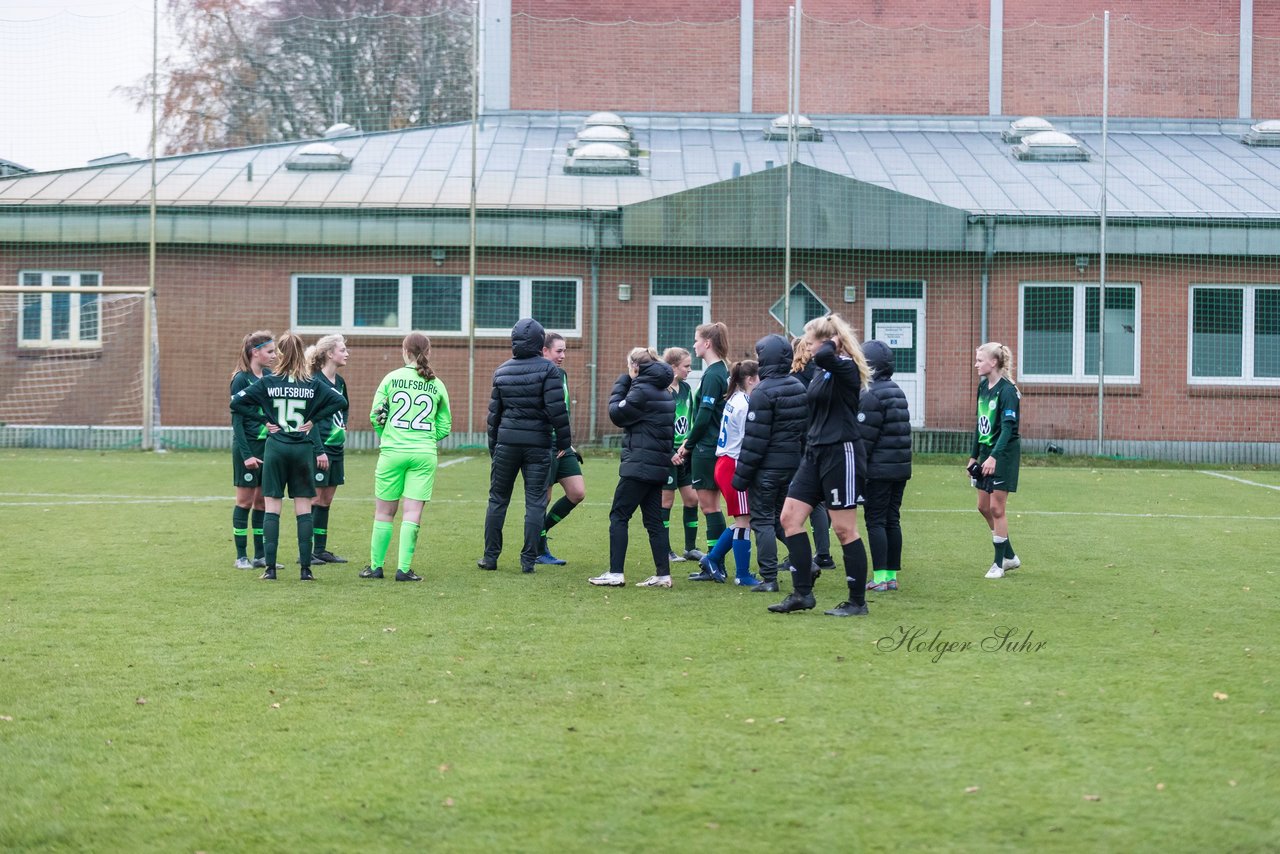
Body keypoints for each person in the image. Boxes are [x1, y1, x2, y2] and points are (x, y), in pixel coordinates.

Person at [768, 314, 872, 617]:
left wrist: (832, 340)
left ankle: (857, 602)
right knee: (789, 518)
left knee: (843, 529)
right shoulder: (821, 369)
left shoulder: (844, 366)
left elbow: (826, 353)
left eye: (809, 339)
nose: (804, 343)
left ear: (829, 341)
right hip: (814, 453)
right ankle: (802, 594)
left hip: (842, 452)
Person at [230, 331, 347, 581]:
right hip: (302, 449)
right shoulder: (312, 383)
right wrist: (313, 419)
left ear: (281, 354)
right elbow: (340, 402)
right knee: (303, 509)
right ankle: (306, 570)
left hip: (276, 448)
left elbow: (236, 404)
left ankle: (269, 569)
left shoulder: (269, 382)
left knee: (272, 507)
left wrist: (265, 419)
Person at [481, 318, 572, 574]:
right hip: (538, 445)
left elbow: (494, 416)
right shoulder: (549, 371)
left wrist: (493, 447)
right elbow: (557, 410)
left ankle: (490, 558)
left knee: (498, 500)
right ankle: (528, 560)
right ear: (539, 342)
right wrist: (565, 443)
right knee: (535, 502)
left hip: (506, 444)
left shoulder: (501, 371)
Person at [359, 332, 451, 582]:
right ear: (428, 352)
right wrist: (427, 438)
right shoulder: (436, 383)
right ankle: (403, 569)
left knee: (384, 512)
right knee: (412, 513)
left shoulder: (391, 378)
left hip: (392, 452)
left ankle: (376, 568)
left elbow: (375, 415)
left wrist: (387, 435)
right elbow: (445, 424)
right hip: (423, 454)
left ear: (404, 351)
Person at [588, 348, 676, 589]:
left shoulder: (640, 390)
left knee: (619, 515)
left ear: (635, 367)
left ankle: (615, 573)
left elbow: (617, 413)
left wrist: (623, 381)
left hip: (639, 465)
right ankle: (662, 575)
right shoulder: (664, 391)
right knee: (654, 521)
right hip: (657, 466)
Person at [732, 334, 808, 594]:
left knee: (762, 520)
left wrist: (741, 476)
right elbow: (804, 432)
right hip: (792, 466)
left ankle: (769, 578)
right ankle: (805, 563)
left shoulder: (762, 392)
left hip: (766, 469)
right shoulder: (799, 387)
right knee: (783, 519)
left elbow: (755, 440)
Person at [696, 359, 762, 586]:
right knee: (744, 521)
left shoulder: (734, 398)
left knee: (744, 519)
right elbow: (748, 439)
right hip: (734, 464)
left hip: (725, 463)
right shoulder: (745, 404)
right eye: (759, 378)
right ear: (751, 379)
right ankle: (742, 575)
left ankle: (712, 558)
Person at [857, 339, 912, 592]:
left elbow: (865, 439)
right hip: (899, 468)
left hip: (878, 470)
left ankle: (879, 577)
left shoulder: (871, 394)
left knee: (876, 521)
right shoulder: (897, 390)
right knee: (892, 519)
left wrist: (857, 469)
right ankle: (890, 575)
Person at [678, 322, 730, 580]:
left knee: (709, 507)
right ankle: (715, 562)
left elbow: (704, 417)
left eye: (697, 339)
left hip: (707, 448)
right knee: (714, 507)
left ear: (708, 343)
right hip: (718, 447)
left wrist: (687, 445)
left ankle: (714, 563)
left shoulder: (712, 375)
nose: (694, 344)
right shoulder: (724, 371)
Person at [969, 342, 1022, 579]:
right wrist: (974, 456)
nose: (976, 364)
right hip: (986, 454)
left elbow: (1008, 430)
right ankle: (1010, 555)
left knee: (996, 508)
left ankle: (999, 564)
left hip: (1003, 456)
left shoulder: (1008, 391)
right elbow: (980, 423)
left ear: (994, 362)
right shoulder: (983, 387)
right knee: (982, 506)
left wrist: (993, 457)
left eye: (980, 360)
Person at [785, 337, 836, 575]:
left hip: (800, 447)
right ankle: (823, 553)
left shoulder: (794, 380)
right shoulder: (824, 375)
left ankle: (799, 554)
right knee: (818, 502)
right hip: (822, 443)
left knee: (798, 502)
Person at [536, 332, 585, 565]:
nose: (563, 355)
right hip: (544, 444)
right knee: (542, 499)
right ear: (544, 351)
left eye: (565, 351)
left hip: (563, 445)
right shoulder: (537, 374)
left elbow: (562, 412)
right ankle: (538, 548)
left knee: (577, 492)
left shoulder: (561, 374)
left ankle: (540, 531)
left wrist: (567, 442)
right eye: (559, 351)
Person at [229, 330, 276, 571]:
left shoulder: (268, 376)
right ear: (254, 352)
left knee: (261, 502)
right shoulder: (241, 379)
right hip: (246, 448)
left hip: (267, 446)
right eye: (270, 351)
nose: (274, 356)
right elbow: (236, 420)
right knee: (244, 501)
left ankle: (260, 555)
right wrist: (246, 455)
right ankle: (241, 556)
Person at [305, 334, 350, 565]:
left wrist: (343, 428)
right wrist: (318, 449)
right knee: (315, 498)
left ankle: (320, 550)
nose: (346, 353)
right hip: (318, 448)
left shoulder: (340, 382)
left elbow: (345, 408)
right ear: (329, 354)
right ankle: (308, 551)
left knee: (327, 499)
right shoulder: (314, 381)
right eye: (342, 350)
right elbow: (308, 419)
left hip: (336, 447)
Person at [660, 347, 701, 564]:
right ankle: (665, 549)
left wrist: (688, 443)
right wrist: (669, 452)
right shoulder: (661, 391)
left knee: (692, 499)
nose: (690, 370)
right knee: (666, 501)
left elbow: (692, 419)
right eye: (686, 366)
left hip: (685, 453)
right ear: (673, 367)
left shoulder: (686, 389)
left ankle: (690, 548)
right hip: (668, 454)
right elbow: (658, 425)